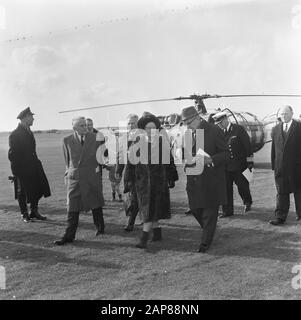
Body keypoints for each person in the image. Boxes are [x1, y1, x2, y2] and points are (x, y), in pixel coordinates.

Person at [124, 112, 178, 248]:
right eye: (148, 128)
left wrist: (171, 177)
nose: (151, 130)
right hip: (142, 183)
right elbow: (130, 163)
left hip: (159, 182)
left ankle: (144, 239)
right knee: (149, 209)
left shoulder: (161, 141)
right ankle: (157, 234)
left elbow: (169, 160)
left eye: (153, 128)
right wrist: (128, 181)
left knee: (152, 210)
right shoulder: (137, 141)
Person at [181, 106, 229, 253]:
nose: (187, 126)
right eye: (184, 123)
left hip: (211, 180)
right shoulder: (188, 134)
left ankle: (205, 242)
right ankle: (209, 230)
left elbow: (226, 154)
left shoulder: (214, 130)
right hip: (194, 180)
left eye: (188, 122)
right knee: (195, 209)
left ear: (197, 118)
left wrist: (211, 160)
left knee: (209, 213)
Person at [54, 117, 105, 245]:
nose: (85, 127)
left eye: (85, 125)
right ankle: (68, 236)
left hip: (91, 177)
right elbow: (67, 160)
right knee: (72, 206)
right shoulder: (67, 140)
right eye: (81, 125)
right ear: (74, 128)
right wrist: (69, 173)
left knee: (95, 202)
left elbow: (102, 157)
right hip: (75, 178)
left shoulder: (96, 138)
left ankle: (100, 227)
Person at [8, 107, 50, 222]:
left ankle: (34, 211)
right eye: (31, 117)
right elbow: (12, 155)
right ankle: (24, 214)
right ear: (25, 118)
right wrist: (16, 172)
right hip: (22, 168)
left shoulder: (28, 131)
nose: (33, 119)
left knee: (38, 188)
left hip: (33, 166)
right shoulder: (15, 134)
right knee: (22, 191)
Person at [213, 111, 253, 217]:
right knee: (225, 189)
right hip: (225, 166)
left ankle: (247, 202)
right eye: (218, 124)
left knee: (243, 187)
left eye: (220, 123)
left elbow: (247, 146)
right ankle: (227, 211)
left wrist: (249, 163)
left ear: (225, 120)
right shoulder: (218, 132)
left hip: (240, 165)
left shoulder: (238, 129)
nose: (219, 126)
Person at [269, 105, 301, 225]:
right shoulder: (275, 129)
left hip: (297, 168)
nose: (283, 116)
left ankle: (300, 214)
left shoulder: (299, 127)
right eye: (281, 114)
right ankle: (280, 217)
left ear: (292, 114)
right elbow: (274, 149)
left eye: (286, 114)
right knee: (281, 192)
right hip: (280, 168)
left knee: (299, 191)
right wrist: (274, 166)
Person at [116, 114, 140, 231]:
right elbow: (121, 156)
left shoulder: (145, 136)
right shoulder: (124, 138)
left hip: (143, 173)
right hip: (129, 173)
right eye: (129, 123)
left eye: (133, 123)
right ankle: (134, 218)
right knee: (130, 196)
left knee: (135, 198)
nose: (131, 125)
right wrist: (118, 171)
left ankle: (131, 223)